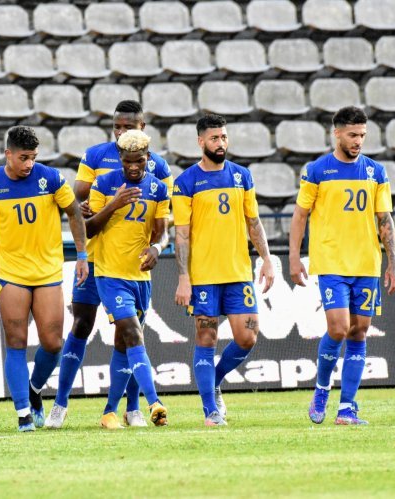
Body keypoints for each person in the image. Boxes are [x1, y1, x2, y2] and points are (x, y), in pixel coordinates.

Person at [45, 100, 173, 429]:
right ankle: (60, 404)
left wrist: (156, 245)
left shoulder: (159, 169)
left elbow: (163, 220)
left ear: (142, 129)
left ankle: (129, 408)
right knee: (82, 325)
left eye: (128, 127)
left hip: (133, 263)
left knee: (129, 335)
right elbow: (79, 202)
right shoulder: (96, 157)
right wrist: (91, 207)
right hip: (97, 260)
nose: (120, 132)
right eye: (117, 126)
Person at [0, 126, 88, 432]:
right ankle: (23, 414)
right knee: (16, 342)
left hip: (47, 271)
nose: (30, 164)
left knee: (53, 343)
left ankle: (34, 389)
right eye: (23, 158)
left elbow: (74, 212)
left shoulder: (52, 178)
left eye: (33, 157)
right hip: (11, 273)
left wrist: (82, 255)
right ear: (8, 154)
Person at [289, 106, 395, 425]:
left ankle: (347, 408)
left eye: (362, 135)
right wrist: (294, 257)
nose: (358, 141)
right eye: (352, 135)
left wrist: (394, 263)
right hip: (332, 261)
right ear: (336, 133)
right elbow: (300, 215)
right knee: (338, 328)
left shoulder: (376, 172)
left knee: (359, 332)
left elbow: (384, 220)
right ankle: (322, 389)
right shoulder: (317, 170)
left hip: (366, 263)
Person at [173, 114, 274, 427]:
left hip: (238, 273)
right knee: (206, 338)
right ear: (201, 142)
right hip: (204, 276)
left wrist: (267, 259)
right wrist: (184, 277)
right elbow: (181, 234)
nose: (221, 143)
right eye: (214, 138)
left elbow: (253, 222)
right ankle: (210, 412)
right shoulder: (185, 182)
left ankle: (214, 381)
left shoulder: (242, 176)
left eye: (224, 137)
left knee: (248, 336)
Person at [82, 129, 170, 429]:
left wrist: (157, 248)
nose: (134, 167)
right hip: (110, 274)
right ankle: (154, 403)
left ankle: (109, 412)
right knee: (133, 333)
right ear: (120, 157)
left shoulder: (157, 189)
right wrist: (113, 204)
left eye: (140, 161)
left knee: (124, 343)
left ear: (148, 158)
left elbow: (163, 232)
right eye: (128, 161)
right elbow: (88, 228)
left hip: (140, 276)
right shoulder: (104, 184)